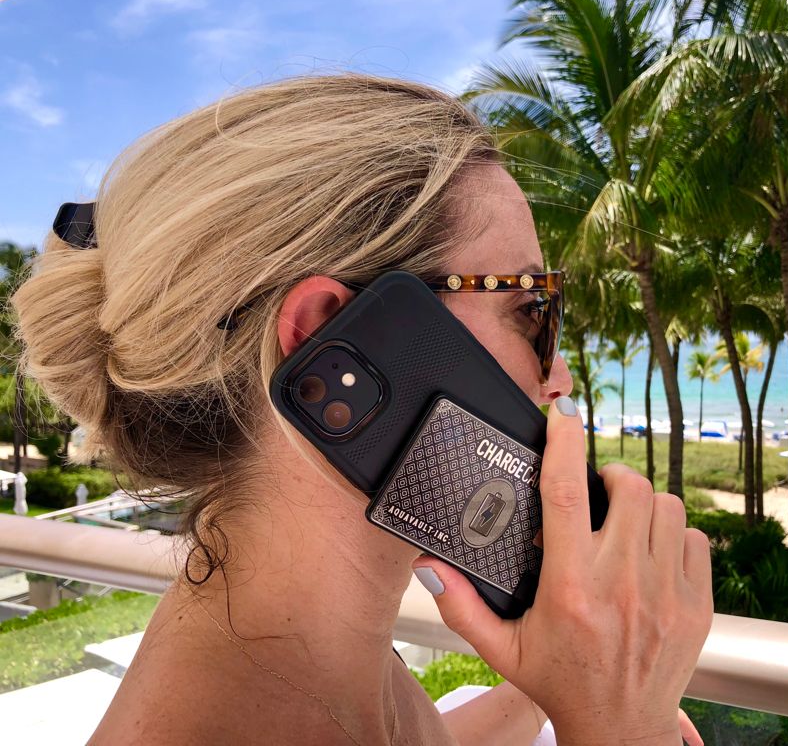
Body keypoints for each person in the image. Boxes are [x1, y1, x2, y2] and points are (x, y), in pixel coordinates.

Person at [12, 74, 713, 745]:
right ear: (329, 339)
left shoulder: (306, 647)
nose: (558, 376)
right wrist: (623, 726)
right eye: (531, 309)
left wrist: (572, 686)